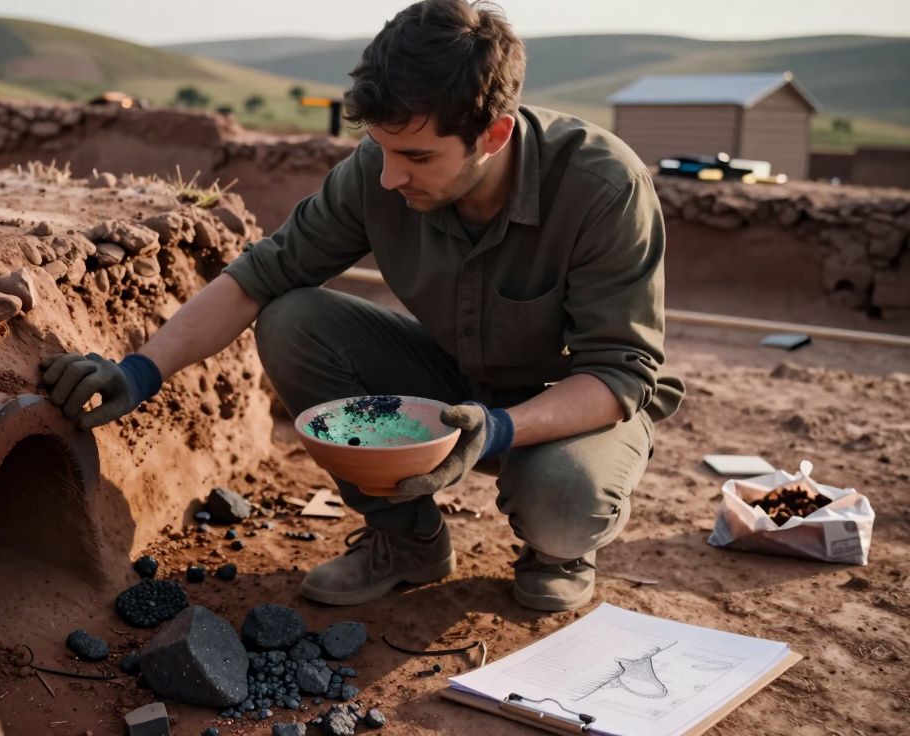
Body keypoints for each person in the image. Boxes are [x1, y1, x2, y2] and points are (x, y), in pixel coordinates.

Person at [39, 0, 684, 612]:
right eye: (381, 148)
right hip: (456, 385)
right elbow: (258, 277)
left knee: (565, 507)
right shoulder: (379, 171)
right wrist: (138, 371)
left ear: (494, 134)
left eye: (417, 156)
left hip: (569, 409)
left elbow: (617, 375)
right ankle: (408, 541)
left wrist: (502, 427)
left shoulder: (604, 188)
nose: (389, 178)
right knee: (294, 319)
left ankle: (557, 555)